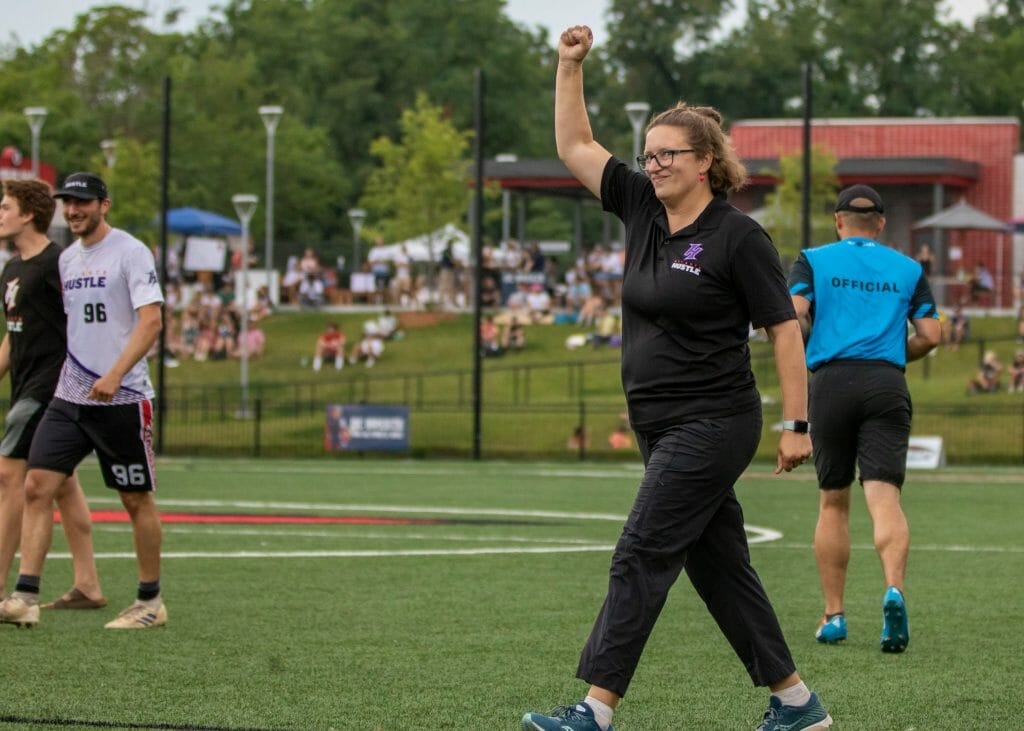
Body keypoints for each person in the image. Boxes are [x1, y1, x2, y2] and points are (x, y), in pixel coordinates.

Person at [521, 26, 831, 731]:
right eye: (648, 154)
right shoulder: (639, 206)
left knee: (641, 549)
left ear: (706, 162)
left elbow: (784, 329)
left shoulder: (738, 236)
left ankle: (595, 710)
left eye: (667, 154)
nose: (653, 163)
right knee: (718, 565)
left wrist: (797, 423)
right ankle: (796, 704)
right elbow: (574, 145)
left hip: (714, 420)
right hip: (656, 421)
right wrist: (568, 66)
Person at [0, 172, 166, 630]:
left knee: (135, 499)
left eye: (83, 203)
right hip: (70, 395)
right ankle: (25, 595)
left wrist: (115, 374)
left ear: (104, 205)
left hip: (122, 396)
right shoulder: (67, 260)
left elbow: (150, 322)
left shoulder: (130, 251)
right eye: (68, 203)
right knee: (37, 484)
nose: (73, 210)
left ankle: (150, 602)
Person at [787, 184, 941, 654]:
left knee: (833, 503)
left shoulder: (812, 260)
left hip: (832, 383)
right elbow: (932, 334)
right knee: (884, 498)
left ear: (837, 221)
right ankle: (894, 587)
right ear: (880, 224)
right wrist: (897, 351)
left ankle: (834, 615)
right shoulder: (909, 268)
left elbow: (794, 314)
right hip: (886, 384)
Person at [0, 179, 106, 611]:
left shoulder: (56, 265)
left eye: (4, 207)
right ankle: (88, 585)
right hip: (24, 385)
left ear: (27, 214)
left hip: (50, 387)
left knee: (10, 477)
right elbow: (12, 337)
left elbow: (82, 326)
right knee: (63, 486)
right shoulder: (11, 269)